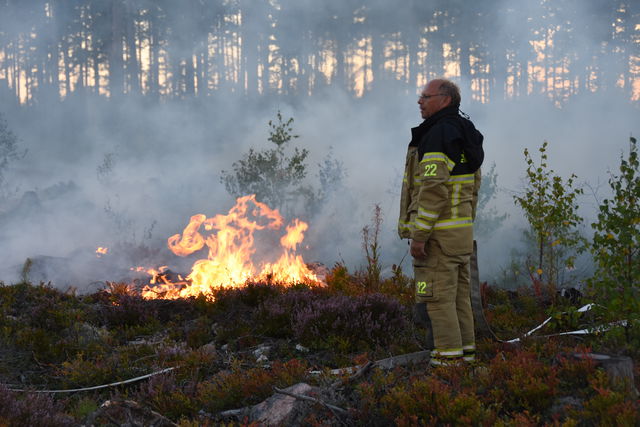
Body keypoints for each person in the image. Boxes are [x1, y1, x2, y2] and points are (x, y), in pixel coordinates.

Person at [398, 78, 484, 366]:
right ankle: (466, 357)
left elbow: (433, 189)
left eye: (425, 96)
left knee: (436, 301)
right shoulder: (465, 132)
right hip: (460, 235)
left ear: (445, 100)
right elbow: (474, 186)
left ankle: (448, 367)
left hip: (437, 237)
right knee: (459, 299)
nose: (419, 101)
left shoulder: (437, 135)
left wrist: (419, 235)